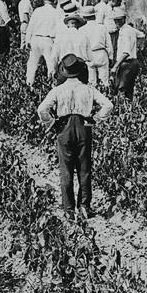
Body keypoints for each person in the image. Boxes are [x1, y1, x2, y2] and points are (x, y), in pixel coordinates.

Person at [37, 54, 113, 220]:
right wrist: (95, 119)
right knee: (84, 169)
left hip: (64, 128)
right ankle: (84, 206)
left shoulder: (58, 90)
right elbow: (108, 105)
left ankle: (69, 209)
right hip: (83, 127)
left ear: (64, 71)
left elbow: (41, 109)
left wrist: (51, 122)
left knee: (66, 170)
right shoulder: (89, 89)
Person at [25, 0, 60, 86]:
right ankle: (52, 85)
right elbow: (58, 30)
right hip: (48, 40)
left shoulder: (37, 11)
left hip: (35, 39)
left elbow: (30, 27)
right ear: (53, 0)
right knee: (51, 64)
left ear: (44, 1)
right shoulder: (56, 12)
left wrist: (27, 40)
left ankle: (29, 84)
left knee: (32, 63)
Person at [111, 7, 145, 100]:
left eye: (118, 20)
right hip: (132, 62)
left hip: (127, 64)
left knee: (122, 90)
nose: (116, 22)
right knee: (129, 90)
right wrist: (136, 47)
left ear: (124, 19)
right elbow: (142, 35)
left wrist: (115, 66)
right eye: (115, 20)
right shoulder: (128, 29)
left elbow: (126, 52)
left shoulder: (125, 32)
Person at [52, 12, 92, 84]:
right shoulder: (84, 36)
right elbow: (90, 58)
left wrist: (54, 70)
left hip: (65, 67)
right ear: (78, 24)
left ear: (67, 24)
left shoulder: (60, 36)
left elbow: (54, 56)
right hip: (80, 67)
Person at [79, 5, 112, 89]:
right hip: (101, 53)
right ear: (94, 16)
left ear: (85, 18)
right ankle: (107, 96)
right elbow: (109, 45)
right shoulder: (102, 27)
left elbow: (81, 46)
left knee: (91, 81)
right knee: (105, 81)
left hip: (89, 55)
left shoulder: (82, 30)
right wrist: (110, 57)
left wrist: (83, 58)